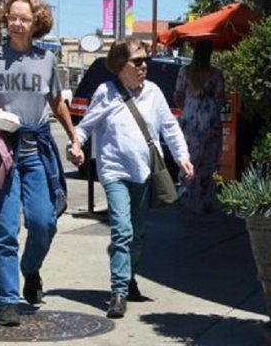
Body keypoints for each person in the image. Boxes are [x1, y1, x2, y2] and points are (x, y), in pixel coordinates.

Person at [0, 0, 83, 327]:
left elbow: (58, 101)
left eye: (24, 19)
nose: (17, 24)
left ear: (36, 24)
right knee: (4, 227)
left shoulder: (46, 60)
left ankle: (30, 269)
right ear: (6, 20)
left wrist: (75, 137)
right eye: (12, 17)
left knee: (44, 222)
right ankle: (7, 299)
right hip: (3, 150)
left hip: (36, 151)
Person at [72, 37, 194, 318]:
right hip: (114, 171)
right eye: (137, 61)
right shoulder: (106, 92)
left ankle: (128, 277)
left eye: (146, 60)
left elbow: (169, 129)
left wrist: (182, 157)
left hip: (143, 172)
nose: (144, 66)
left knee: (137, 234)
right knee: (122, 230)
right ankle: (118, 292)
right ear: (119, 65)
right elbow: (86, 125)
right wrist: (76, 144)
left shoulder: (153, 92)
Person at [174, 39, 226, 214]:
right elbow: (220, 97)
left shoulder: (185, 71)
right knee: (207, 160)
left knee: (188, 157)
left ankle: (186, 195)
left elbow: (178, 95)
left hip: (189, 115)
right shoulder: (215, 74)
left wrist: (189, 107)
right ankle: (203, 200)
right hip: (209, 117)